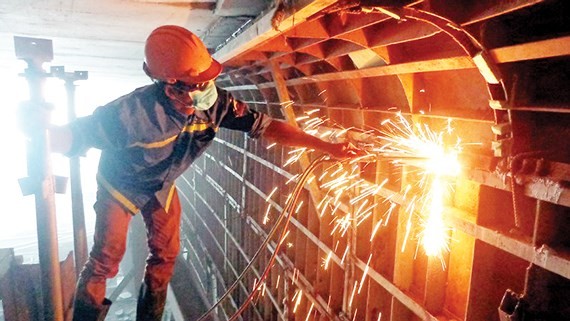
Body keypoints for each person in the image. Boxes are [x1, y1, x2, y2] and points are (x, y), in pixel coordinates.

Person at [46, 25, 360, 321]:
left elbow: (266, 127)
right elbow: (72, 136)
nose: (209, 89)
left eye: (208, 81)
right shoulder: (131, 115)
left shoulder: (215, 105)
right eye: (199, 85)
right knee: (106, 259)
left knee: (166, 254)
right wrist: (44, 132)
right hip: (122, 186)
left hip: (161, 183)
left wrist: (325, 146)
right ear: (171, 86)